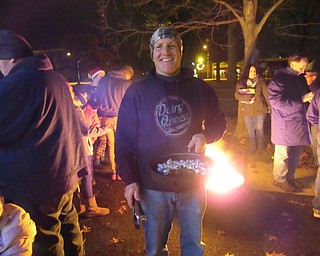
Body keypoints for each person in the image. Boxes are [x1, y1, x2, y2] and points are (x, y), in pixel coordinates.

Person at [115, 27, 227, 256]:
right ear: (152, 53)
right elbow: (124, 140)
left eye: (171, 45)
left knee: (193, 246)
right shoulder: (137, 92)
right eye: (159, 47)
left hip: (193, 183)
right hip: (151, 185)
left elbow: (219, 122)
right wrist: (130, 180)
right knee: (155, 248)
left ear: (181, 50)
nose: (165, 51)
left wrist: (206, 136)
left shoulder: (200, 88)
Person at [0, 30, 86, 255]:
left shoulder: (17, 83)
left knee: (46, 240)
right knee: (70, 229)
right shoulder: (54, 78)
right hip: (65, 174)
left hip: (37, 183)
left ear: (9, 57)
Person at [268, 52, 313, 193]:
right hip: (284, 123)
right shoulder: (279, 80)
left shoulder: (299, 79)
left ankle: (290, 177)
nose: (304, 69)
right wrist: (301, 100)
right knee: (283, 153)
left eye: (305, 66)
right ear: (293, 64)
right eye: (302, 65)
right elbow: (276, 102)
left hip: (298, 122)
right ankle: (279, 179)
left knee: (295, 152)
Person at [71, 83, 110, 218]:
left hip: (77, 147)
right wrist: (106, 128)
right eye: (87, 94)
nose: (88, 97)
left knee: (79, 177)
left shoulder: (75, 108)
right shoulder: (76, 109)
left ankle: (79, 206)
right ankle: (91, 207)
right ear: (82, 94)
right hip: (82, 148)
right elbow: (87, 130)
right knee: (86, 176)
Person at [96, 65, 134, 180]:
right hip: (120, 117)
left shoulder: (103, 80)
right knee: (121, 144)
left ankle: (113, 171)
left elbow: (97, 97)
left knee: (110, 145)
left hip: (104, 117)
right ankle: (121, 171)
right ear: (126, 74)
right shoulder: (126, 84)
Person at [235, 64, 270, 154]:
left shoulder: (261, 82)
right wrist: (248, 98)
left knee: (259, 128)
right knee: (250, 130)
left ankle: (260, 147)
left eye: (254, 71)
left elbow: (266, 95)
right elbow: (237, 95)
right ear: (247, 72)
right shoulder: (242, 83)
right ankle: (252, 147)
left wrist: (269, 107)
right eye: (251, 71)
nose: (253, 73)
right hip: (247, 110)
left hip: (260, 110)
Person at [305, 60, 320, 166]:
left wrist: (316, 123)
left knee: (315, 144)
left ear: (314, 77)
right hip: (315, 122)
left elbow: (311, 115)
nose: (305, 77)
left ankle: (317, 162)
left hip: (316, 124)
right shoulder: (311, 87)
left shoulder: (315, 89)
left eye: (307, 75)